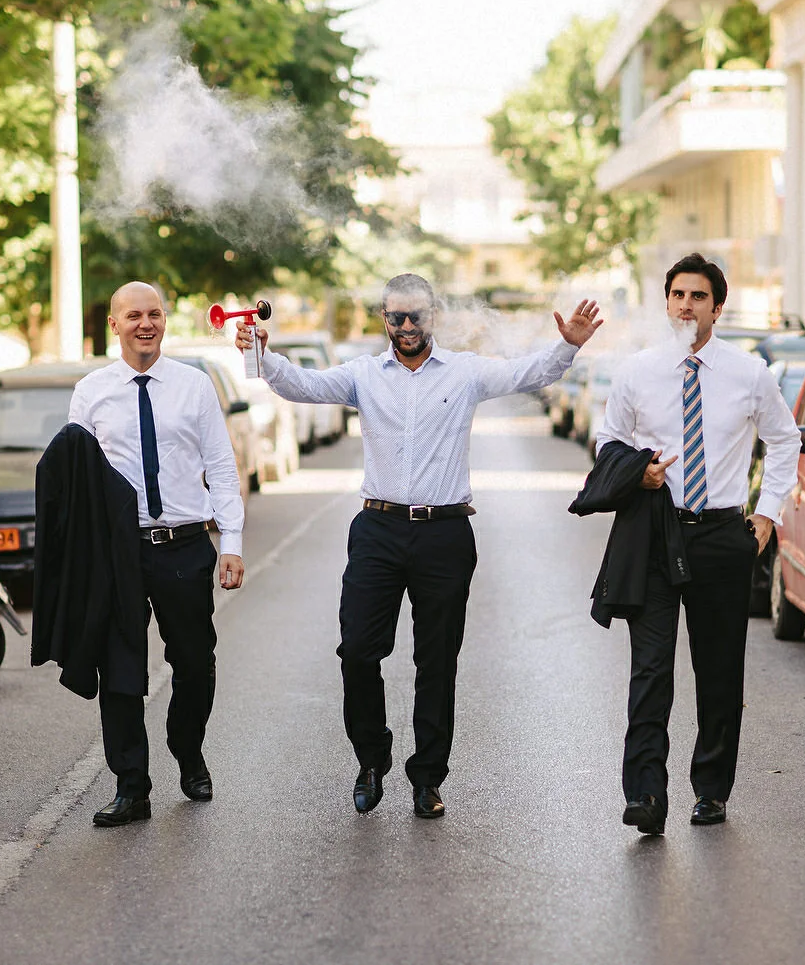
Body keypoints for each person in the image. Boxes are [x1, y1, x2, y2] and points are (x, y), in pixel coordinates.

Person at [237, 273, 602, 818]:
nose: (406, 327)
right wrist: (261, 355)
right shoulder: (364, 375)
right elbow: (302, 386)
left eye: (416, 316)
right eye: (396, 317)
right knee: (358, 650)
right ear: (383, 319)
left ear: (434, 316)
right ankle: (370, 757)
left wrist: (568, 343)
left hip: (445, 533)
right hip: (378, 530)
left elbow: (528, 372)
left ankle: (428, 777)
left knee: (437, 662)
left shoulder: (466, 371)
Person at [595, 252, 800, 834]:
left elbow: (784, 441)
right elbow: (608, 441)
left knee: (718, 673)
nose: (687, 305)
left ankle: (711, 791)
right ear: (667, 302)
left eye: (699, 297)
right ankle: (646, 796)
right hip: (656, 532)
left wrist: (766, 514)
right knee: (651, 670)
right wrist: (639, 472)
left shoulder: (749, 373)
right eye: (678, 295)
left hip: (720, 536)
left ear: (718, 306)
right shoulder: (638, 371)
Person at [67, 281, 246, 827]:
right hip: (119, 552)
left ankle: (187, 749)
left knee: (195, 663)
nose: (145, 324)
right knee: (120, 669)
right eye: (132, 316)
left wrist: (230, 543)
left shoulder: (192, 386)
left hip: (184, 545)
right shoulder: (91, 392)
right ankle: (131, 786)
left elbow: (219, 465)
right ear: (115, 325)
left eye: (154, 314)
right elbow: (77, 478)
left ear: (164, 321)